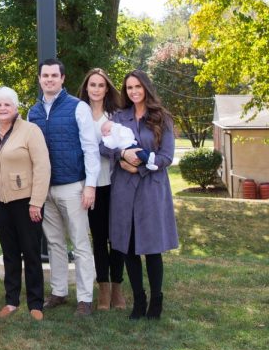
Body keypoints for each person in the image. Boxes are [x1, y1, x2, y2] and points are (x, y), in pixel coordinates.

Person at [27, 58, 100, 317]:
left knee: (80, 243)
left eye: (54, 76)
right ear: (39, 79)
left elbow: (91, 148)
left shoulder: (77, 108)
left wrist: (90, 186)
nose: (49, 79)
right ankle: (58, 292)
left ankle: (85, 298)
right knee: (55, 243)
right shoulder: (33, 113)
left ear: (62, 79)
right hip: (44, 189)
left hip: (73, 186)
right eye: (45, 75)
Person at [105, 70, 178, 320]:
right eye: (129, 88)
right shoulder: (119, 117)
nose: (134, 91)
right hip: (124, 189)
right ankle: (139, 299)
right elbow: (107, 146)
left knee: (151, 247)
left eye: (138, 86)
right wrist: (123, 157)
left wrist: (140, 166)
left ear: (146, 87)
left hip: (151, 189)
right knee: (128, 246)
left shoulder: (161, 118)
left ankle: (156, 299)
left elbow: (167, 157)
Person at [0, 86, 50, 321]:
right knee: (10, 253)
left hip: (26, 202)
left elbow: (42, 167)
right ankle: (11, 301)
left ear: (16, 107)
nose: (2, 108)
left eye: (7, 104)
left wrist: (36, 202)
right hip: (0, 202)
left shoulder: (31, 131)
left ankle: (35, 303)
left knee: (31, 253)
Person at [79, 68, 127, 311]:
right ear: (86, 88)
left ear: (107, 88)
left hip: (115, 185)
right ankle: (103, 289)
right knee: (98, 239)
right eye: (92, 85)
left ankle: (118, 287)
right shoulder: (79, 112)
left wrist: (104, 147)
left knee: (116, 238)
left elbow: (124, 145)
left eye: (100, 85)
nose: (96, 89)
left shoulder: (116, 115)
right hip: (91, 185)